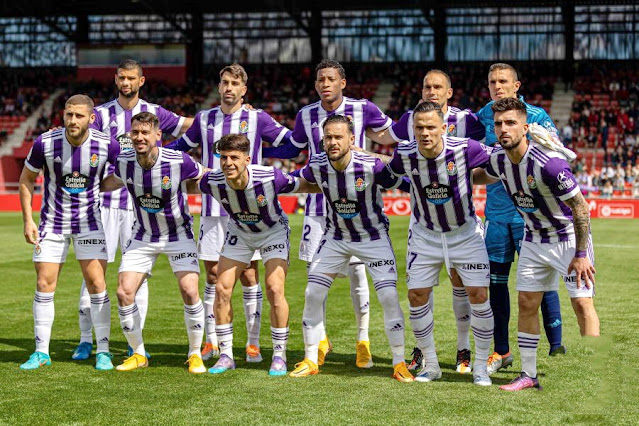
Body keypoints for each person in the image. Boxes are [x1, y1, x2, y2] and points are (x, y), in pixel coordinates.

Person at [264, 60, 396, 369]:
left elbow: (394, 136)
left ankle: (363, 341)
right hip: (318, 208)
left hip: (359, 205)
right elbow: (293, 149)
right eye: (321, 79)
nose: (325, 83)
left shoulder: (364, 109)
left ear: (343, 83)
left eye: (331, 79)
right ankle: (320, 341)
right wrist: (260, 149)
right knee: (315, 278)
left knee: (358, 274)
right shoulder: (305, 115)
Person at [166, 63, 293, 363]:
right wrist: (149, 151)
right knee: (214, 276)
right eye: (224, 82)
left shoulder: (257, 117)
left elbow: (290, 143)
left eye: (235, 83)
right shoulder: (205, 118)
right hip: (214, 207)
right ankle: (213, 341)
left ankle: (252, 343)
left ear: (243, 89)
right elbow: (180, 147)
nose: (228, 88)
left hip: (252, 207)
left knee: (250, 275)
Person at [71, 58, 193, 361]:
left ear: (141, 81)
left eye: (131, 79)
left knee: (138, 276)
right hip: (105, 204)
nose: (126, 83)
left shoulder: (155, 114)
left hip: (141, 209)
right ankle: (87, 339)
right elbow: (77, 136)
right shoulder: (99, 115)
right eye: (121, 78)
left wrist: (216, 121)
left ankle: (132, 341)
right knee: (93, 271)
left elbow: (188, 126)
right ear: (115, 80)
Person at [476, 97, 600, 391]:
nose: (503, 129)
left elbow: (581, 208)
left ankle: (597, 377)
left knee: (582, 304)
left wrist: (582, 255)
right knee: (527, 303)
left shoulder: (549, 164)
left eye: (510, 123)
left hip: (567, 240)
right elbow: (480, 175)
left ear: (525, 127)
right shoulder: (498, 159)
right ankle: (529, 375)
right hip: (533, 239)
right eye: (498, 124)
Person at [288, 115, 412, 382]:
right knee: (312, 293)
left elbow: (403, 184)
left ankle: (399, 363)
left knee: (389, 297)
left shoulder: (371, 166)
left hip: (373, 237)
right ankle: (311, 358)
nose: (333, 142)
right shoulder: (318, 164)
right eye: (328, 137)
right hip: (335, 237)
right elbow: (294, 181)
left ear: (351, 139)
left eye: (338, 137)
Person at [384, 101, 494, 386]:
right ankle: (431, 366)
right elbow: (384, 173)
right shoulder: (405, 154)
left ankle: (480, 366)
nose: (425, 132)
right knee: (416, 296)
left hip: (465, 234)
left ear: (443, 128)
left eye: (431, 127)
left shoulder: (465, 148)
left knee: (479, 295)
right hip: (425, 235)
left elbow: (500, 162)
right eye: (419, 127)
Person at [198, 133, 318, 376]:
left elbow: (304, 185)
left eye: (234, 157)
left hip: (272, 232)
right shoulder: (212, 181)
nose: (228, 163)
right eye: (224, 157)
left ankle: (279, 355)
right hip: (239, 232)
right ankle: (226, 355)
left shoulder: (270, 177)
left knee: (274, 288)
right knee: (222, 288)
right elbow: (188, 182)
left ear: (247, 159)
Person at [18, 94, 119, 370]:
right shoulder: (46, 143)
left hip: (89, 223)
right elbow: (26, 179)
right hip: (53, 223)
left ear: (91, 118)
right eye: (69, 114)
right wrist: (28, 221)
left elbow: (126, 171)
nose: (73, 120)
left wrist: (106, 184)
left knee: (97, 285)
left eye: (79, 115)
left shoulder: (106, 144)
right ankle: (41, 352)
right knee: (44, 284)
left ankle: (104, 351)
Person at [100, 111, 206, 373]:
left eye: (145, 132)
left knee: (190, 291)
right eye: (135, 132)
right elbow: (111, 182)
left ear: (158, 135)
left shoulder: (178, 160)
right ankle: (138, 354)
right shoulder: (125, 162)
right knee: (124, 292)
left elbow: (204, 176)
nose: (139, 137)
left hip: (178, 233)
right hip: (143, 235)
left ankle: (195, 354)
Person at [476, 63, 565, 375]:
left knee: (537, 279)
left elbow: (559, 154)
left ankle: (556, 340)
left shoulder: (536, 116)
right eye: (492, 82)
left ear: (516, 85)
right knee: (496, 284)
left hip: (531, 215)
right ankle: (502, 351)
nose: (497, 86)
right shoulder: (481, 117)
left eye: (503, 81)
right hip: (497, 214)